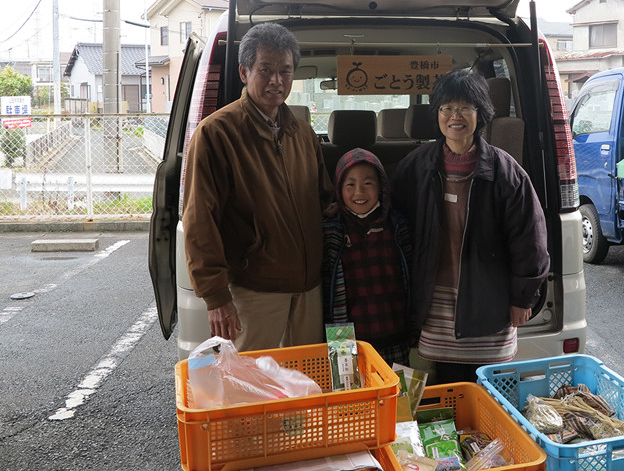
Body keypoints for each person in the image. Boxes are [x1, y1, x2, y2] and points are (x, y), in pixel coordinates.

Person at [391, 69, 550, 384]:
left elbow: (529, 239)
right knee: (436, 390)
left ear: (481, 112)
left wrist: (523, 298)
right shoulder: (416, 167)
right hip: (431, 301)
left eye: (465, 107)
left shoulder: (507, 172)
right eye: (446, 108)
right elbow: (396, 228)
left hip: (488, 303)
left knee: (485, 391)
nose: (455, 116)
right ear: (436, 114)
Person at [182, 22, 332, 352]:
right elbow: (198, 220)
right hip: (254, 290)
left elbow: (324, 200)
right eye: (266, 69)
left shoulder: (303, 133)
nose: (277, 80)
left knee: (305, 386)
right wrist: (216, 296)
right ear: (244, 72)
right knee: (252, 389)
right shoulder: (216, 134)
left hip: (308, 288)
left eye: (285, 70)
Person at [322, 148, 412, 366]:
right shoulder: (330, 230)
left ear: (381, 187)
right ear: (338, 189)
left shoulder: (398, 225)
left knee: (398, 396)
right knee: (351, 397)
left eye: (368, 184)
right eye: (349, 184)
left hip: (395, 329)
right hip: (342, 337)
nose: (359, 192)